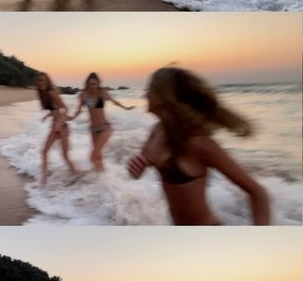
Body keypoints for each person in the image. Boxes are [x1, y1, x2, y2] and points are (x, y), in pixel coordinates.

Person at [127, 66, 270, 225]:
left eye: (149, 89)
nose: (144, 93)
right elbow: (139, 170)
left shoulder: (198, 144)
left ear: (160, 97)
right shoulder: (156, 131)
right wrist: (136, 170)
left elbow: (258, 193)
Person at [69, 72, 135, 172]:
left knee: (92, 156)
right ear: (87, 84)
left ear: (98, 83)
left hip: (105, 128)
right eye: (90, 84)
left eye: (94, 84)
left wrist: (126, 107)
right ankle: (101, 177)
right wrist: (71, 117)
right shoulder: (84, 95)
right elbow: (79, 110)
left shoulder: (102, 93)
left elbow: (114, 102)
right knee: (98, 156)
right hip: (93, 130)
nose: (93, 86)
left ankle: (104, 176)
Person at [36, 72, 77, 184]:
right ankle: (44, 179)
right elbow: (55, 110)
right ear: (37, 82)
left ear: (47, 81)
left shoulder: (51, 92)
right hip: (55, 126)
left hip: (62, 127)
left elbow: (64, 108)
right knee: (44, 152)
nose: (42, 82)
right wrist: (47, 115)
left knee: (64, 155)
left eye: (44, 80)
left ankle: (76, 175)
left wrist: (58, 124)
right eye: (40, 80)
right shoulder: (43, 94)